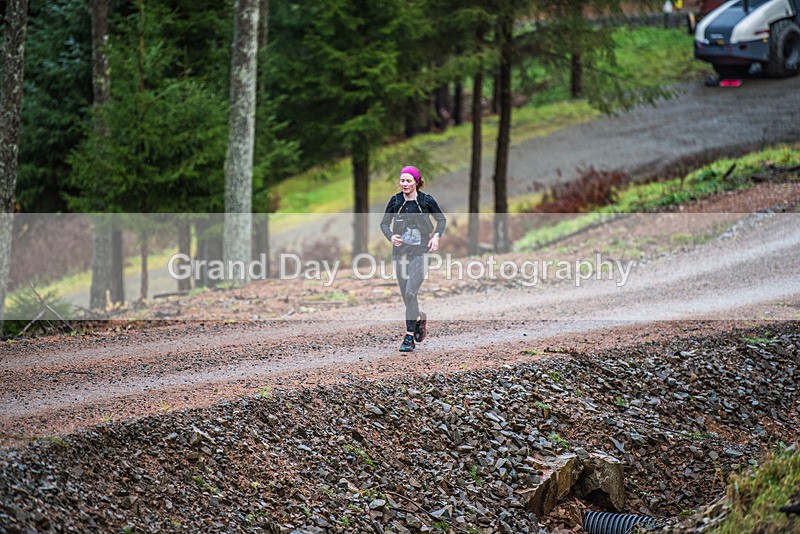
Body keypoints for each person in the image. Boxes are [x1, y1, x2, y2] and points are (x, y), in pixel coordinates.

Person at [380, 165, 446, 352]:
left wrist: (436, 237)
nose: (404, 184)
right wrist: (391, 236)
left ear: (416, 182)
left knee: (410, 293)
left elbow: (441, 220)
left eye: (408, 180)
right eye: (402, 180)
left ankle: (409, 337)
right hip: (400, 254)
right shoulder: (396, 201)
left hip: (421, 253)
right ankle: (418, 319)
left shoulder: (426, 201)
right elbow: (384, 224)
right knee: (406, 296)